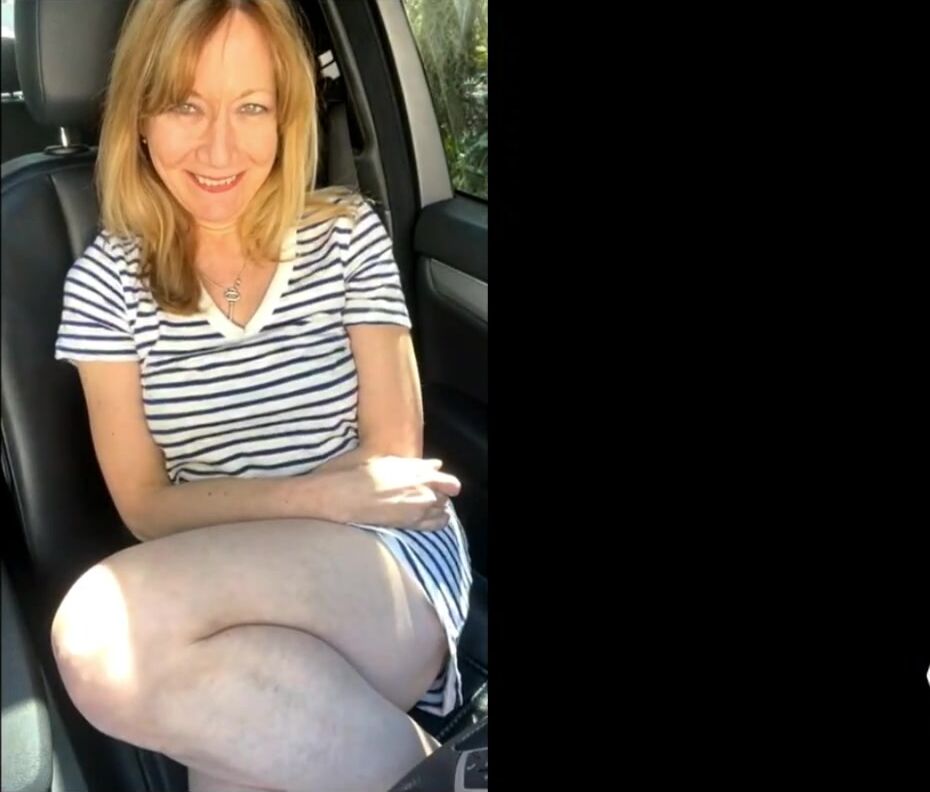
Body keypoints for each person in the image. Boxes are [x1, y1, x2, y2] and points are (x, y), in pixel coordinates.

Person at [50, 1, 471, 790]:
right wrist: (318, 493)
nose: (220, 148)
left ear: (287, 118)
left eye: (251, 107)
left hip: (384, 566)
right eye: (186, 106)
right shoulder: (104, 285)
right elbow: (144, 506)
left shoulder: (347, 234)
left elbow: (391, 461)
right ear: (139, 117)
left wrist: (317, 500)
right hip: (219, 598)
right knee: (238, 750)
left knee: (102, 634)